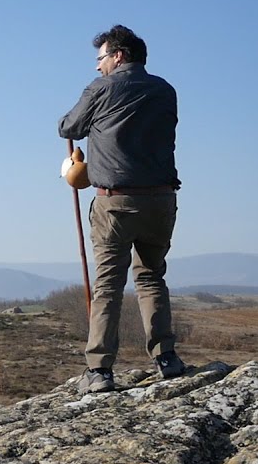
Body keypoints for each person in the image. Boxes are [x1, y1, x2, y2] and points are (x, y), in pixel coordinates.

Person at [59, 25, 187, 394]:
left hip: (115, 201)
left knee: (109, 286)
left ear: (118, 55)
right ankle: (167, 358)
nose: (98, 67)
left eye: (101, 59)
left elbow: (69, 125)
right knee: (151, 277)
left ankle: (99, 370)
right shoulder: (165, 89)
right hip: (162, 199)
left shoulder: (101, 88)